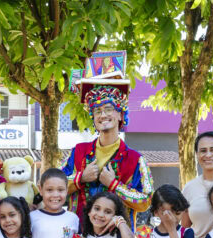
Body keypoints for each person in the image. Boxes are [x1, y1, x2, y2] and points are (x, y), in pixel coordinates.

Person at [62, 85, 153, 221]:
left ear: (121, 115)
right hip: (79, 235)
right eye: (97, 111)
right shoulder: (78, 152)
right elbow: (55, 187)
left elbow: (146, 200)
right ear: (93, 117)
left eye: (108, 109)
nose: (103, 115)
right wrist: (80, 178)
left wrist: (114, 185)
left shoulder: (135, 160)